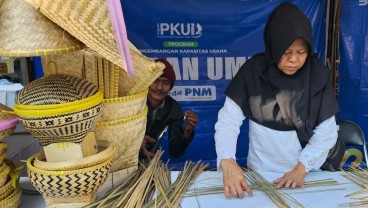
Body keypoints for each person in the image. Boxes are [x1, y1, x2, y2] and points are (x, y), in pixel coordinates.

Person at [214, 2, 340, 199]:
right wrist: (227, 159)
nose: (294, 60)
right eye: (286, 51)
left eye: (301, 52)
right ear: (273, 45)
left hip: (305, 177)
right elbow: (228, 121)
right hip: (260, 176)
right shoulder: (253, 72)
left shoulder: (317, 76)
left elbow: (327, 133)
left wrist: (301, 168)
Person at [139, 58, 199, 160]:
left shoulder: (173, 109)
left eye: (165, 83)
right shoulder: (134, 102)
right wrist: (137, 142)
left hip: (148, 161)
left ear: (170, 87)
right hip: (124, 157)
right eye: (155, 80)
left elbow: (175, 152)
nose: (159, 87)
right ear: (147, 82)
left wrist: (187, 132)